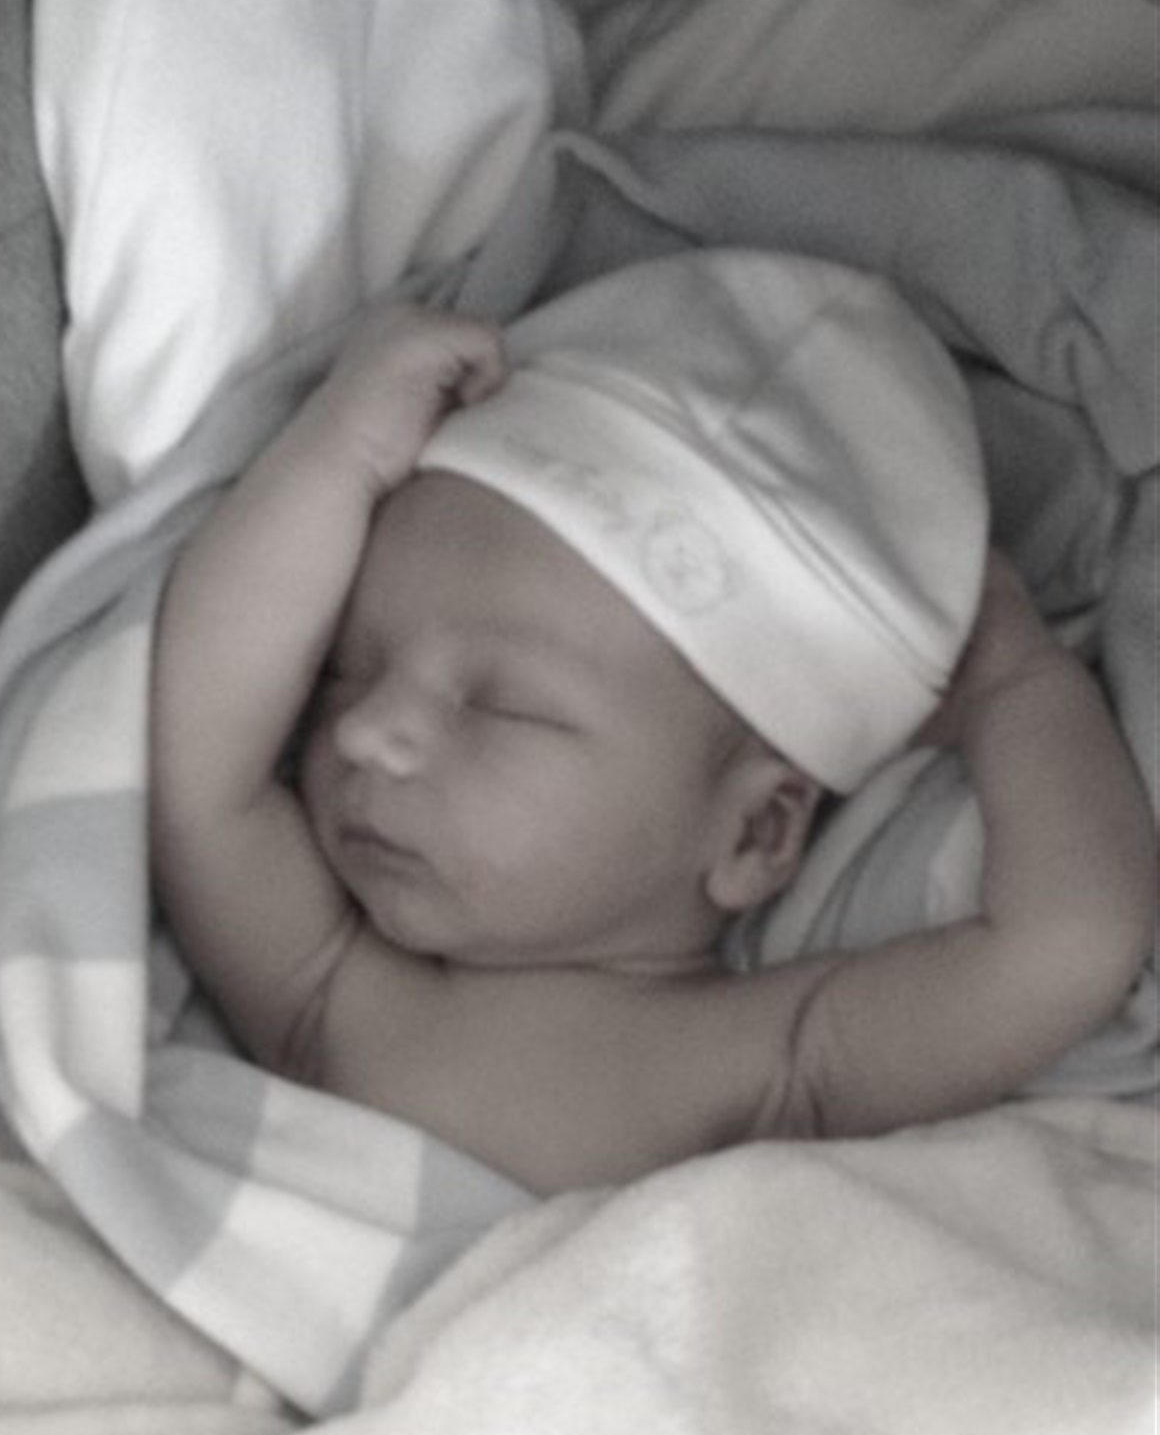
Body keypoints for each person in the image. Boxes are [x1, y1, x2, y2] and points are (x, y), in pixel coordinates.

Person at [149, 253, 1156, 1195]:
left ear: (754, 831)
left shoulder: (772, 1062)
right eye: (346, 668)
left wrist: (1020, 687)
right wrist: (341, 452)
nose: (366, 730)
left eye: (505, 708)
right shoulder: (326, 989)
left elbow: (1065, 948)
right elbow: (199, 751)